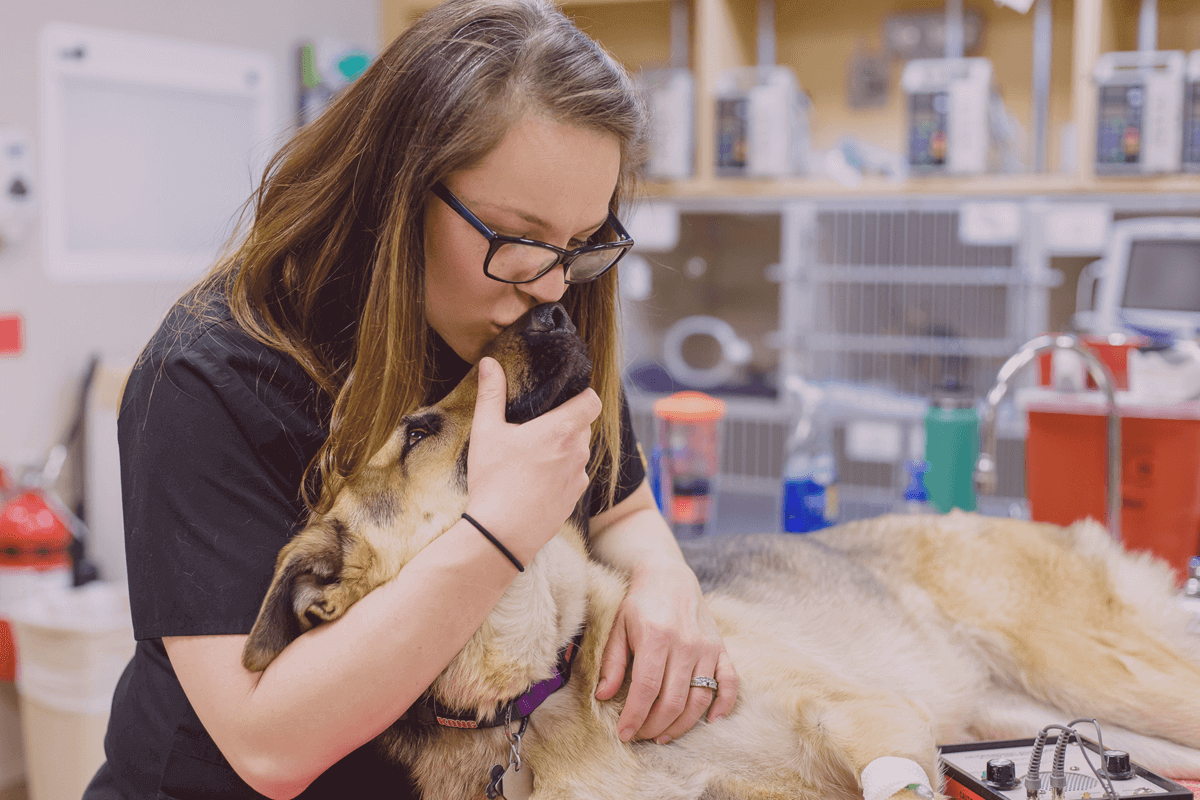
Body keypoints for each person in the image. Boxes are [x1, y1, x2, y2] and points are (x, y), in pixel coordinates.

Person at [83, 1, 738, 798]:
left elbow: (619, 510)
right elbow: (268, 748)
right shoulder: (209, 377)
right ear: (396, 192)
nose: (550, 285)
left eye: (579, 243)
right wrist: (497, 533)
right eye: (517, 236)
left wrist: (666, 580)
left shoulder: (527, 315)